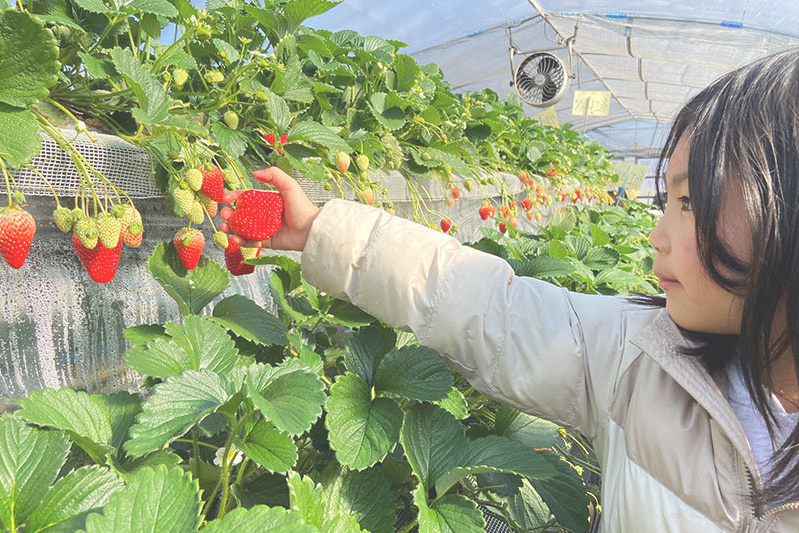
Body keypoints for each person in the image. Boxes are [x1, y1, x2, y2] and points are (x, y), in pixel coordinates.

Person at [221, 47, 799, 531]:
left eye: (690, 202)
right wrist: (325, 231)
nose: (657, 235)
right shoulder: (640, 354)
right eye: (666, 201)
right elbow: (489, 308)